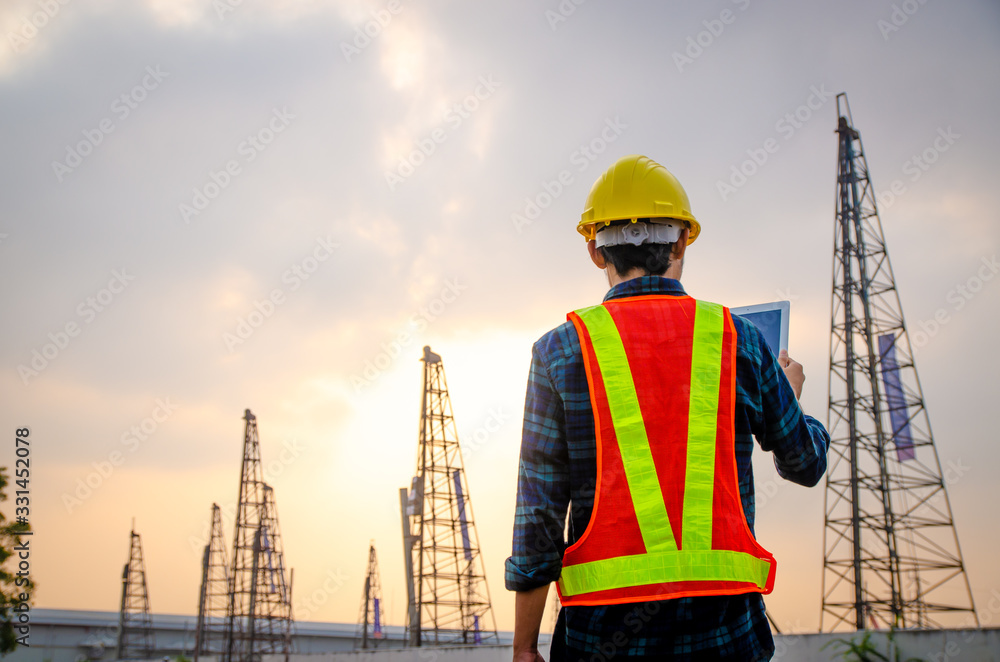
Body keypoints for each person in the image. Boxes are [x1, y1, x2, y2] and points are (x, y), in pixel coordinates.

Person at [505, 155, 830, 661]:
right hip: (725, 635)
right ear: (680, 243)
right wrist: (791, 398)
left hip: (601, 638)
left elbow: (539, 514)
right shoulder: (738, 339)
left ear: (594, 250)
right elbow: (805, 464)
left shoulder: (560, 351)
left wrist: (524, 645)